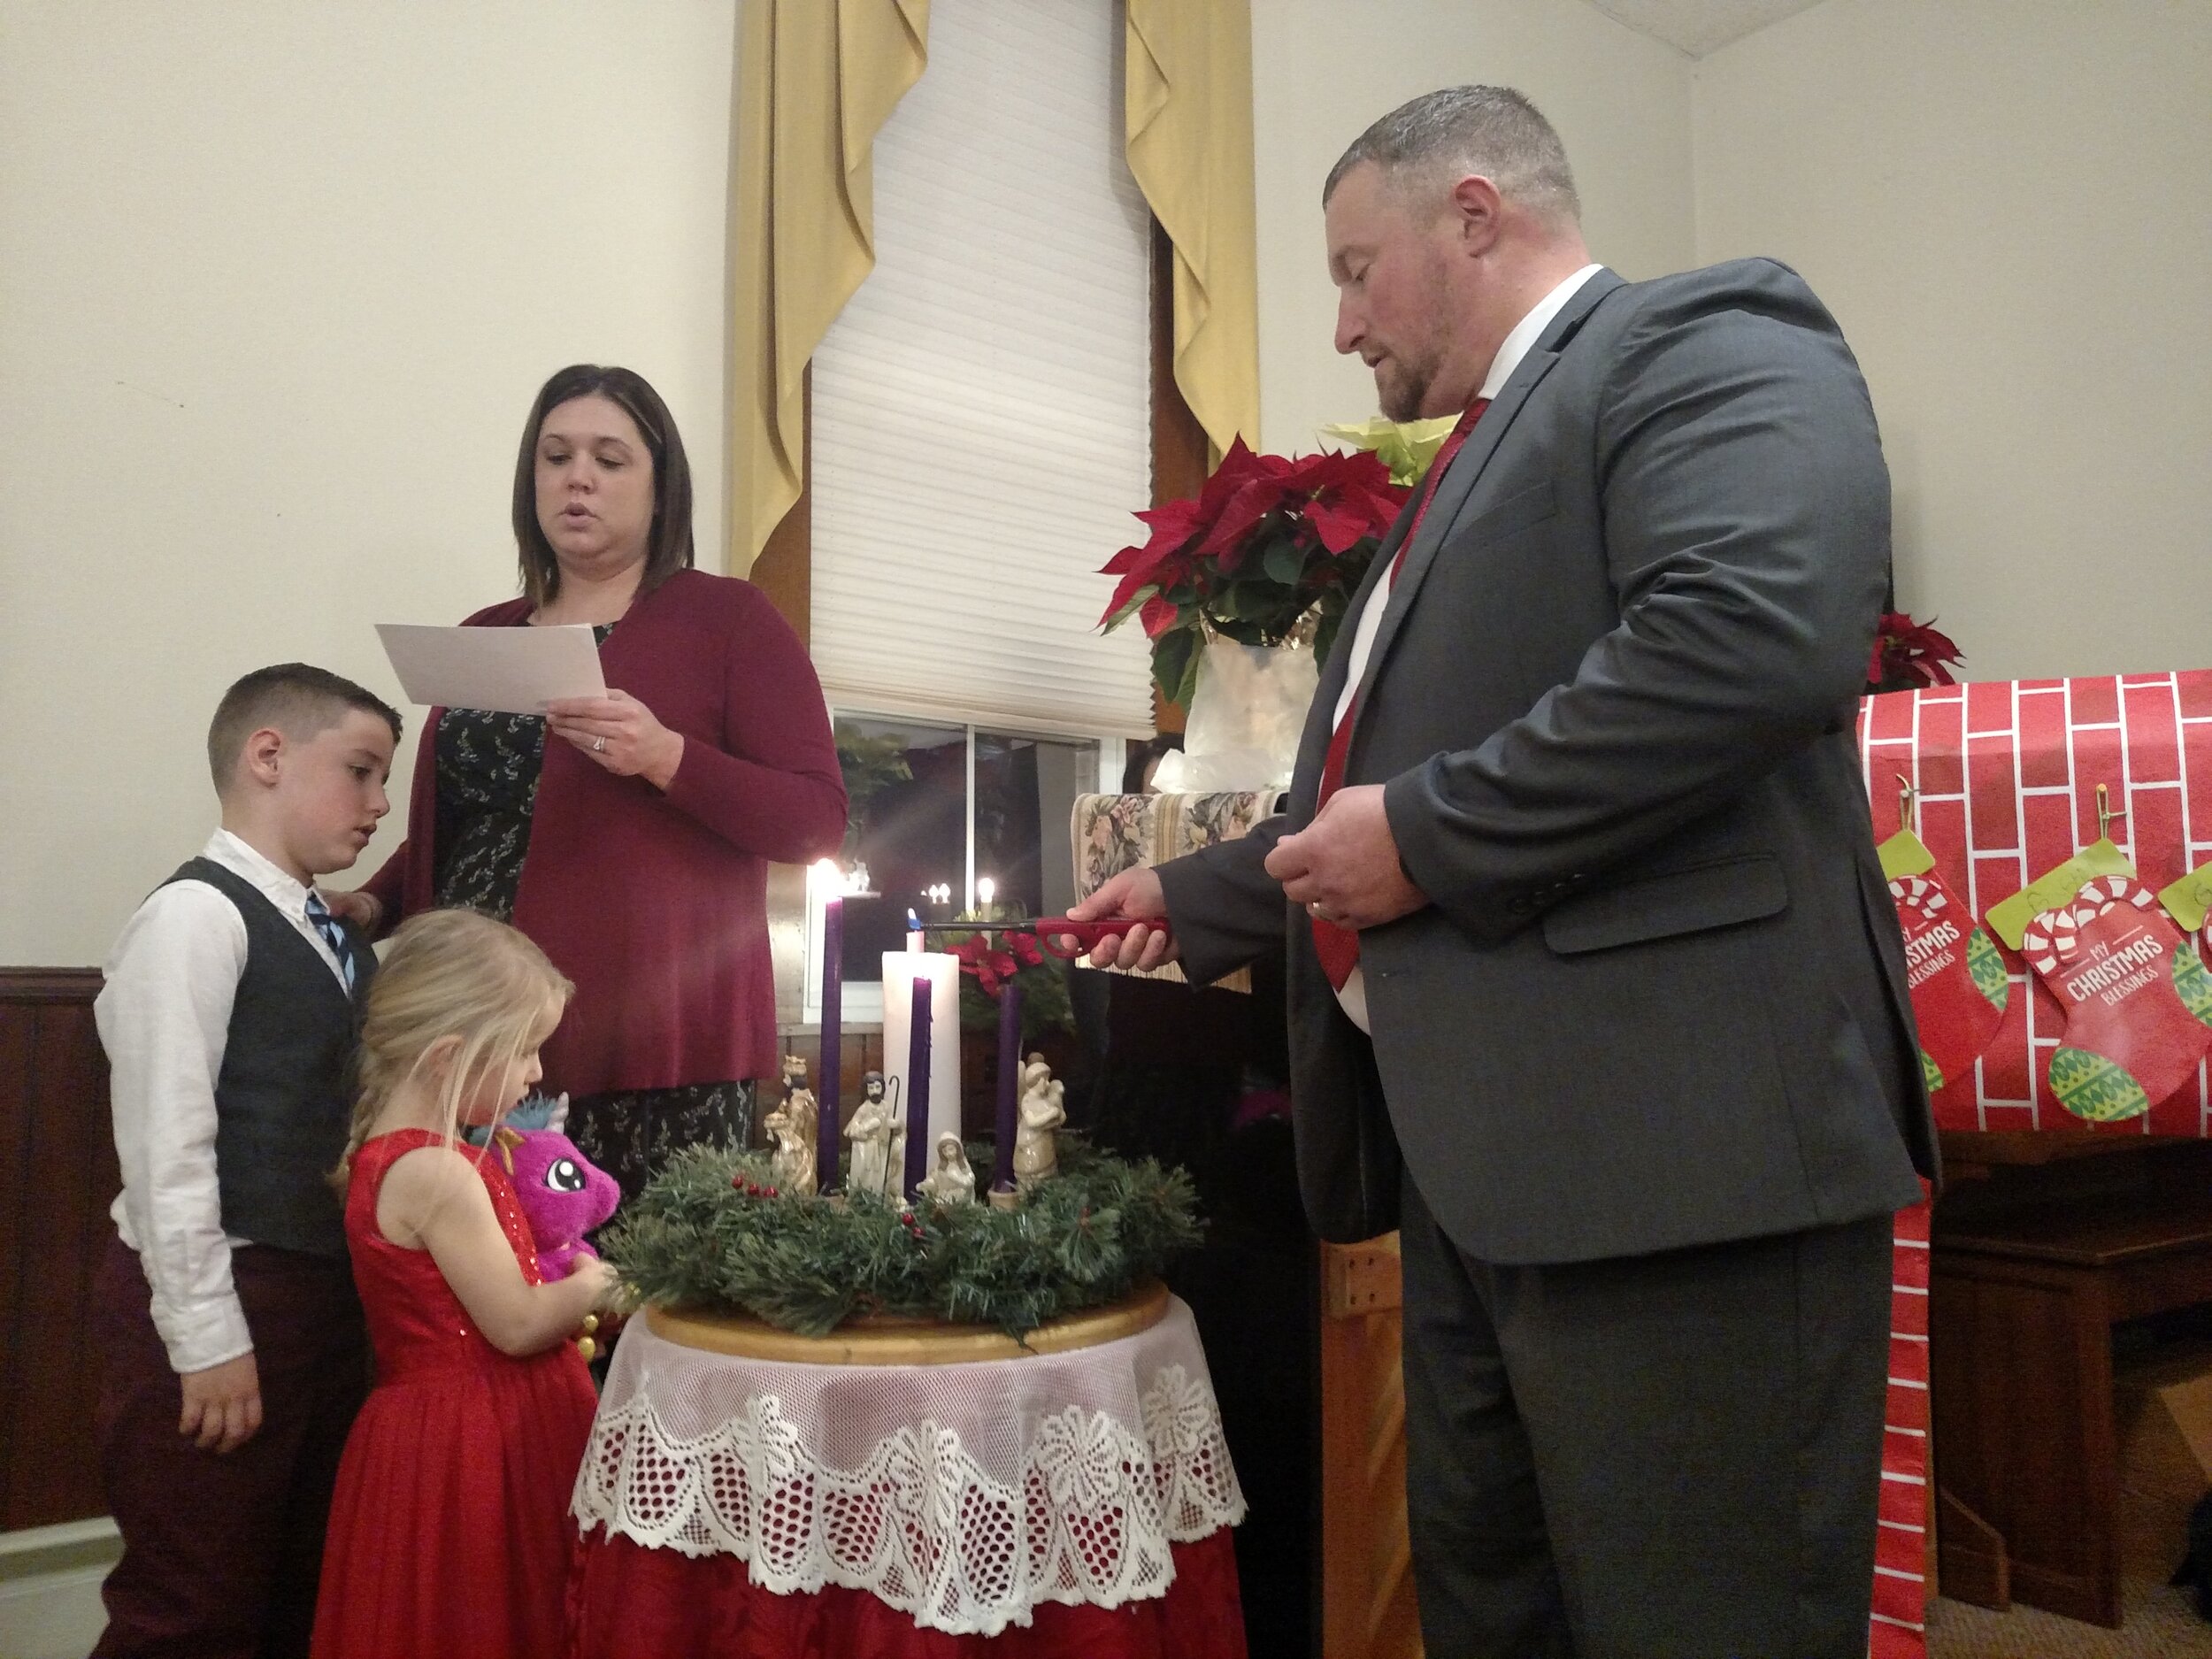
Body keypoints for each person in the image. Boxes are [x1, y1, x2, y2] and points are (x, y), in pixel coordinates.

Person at [1068, 86, 1937, 1657]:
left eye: (1354, 267)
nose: (1340, 324)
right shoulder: (1456, 471)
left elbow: (1749, 641)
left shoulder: (1702, 336)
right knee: (1501, 1614)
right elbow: (1399, 775)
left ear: (1474, 215)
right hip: (1485, 1177)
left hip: (1680, 1166)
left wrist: (1421, 837)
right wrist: (1203, 892)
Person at [334, 365, 846, 1208]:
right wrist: (376, 903)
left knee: (618, 1309)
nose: (578, 477)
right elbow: (482, 818)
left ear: (659, 487)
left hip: (649, 1044)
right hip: (465, 1037)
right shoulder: (485, 633)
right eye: (556, 455)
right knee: (467, 1307)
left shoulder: (726, 621)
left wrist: (668, 757)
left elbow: (815, 820)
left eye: (610, 459)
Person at [90, 664, 399, 1658]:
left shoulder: (337, 935)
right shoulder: (194, 917)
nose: (380, 803)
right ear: (268, 755)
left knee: (297, 1585)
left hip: (322, 1301)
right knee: (193, 1602)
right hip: (228, 1292)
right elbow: (164, 1142)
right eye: (360, 770)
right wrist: (206, 1334)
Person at [311, 908, 614, 1659]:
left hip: (452, 1428)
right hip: (476, 1441)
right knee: (482, 1611)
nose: (537, 1073)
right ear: (450, 1055)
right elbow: (514, 1322)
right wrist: (593, 1282)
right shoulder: (437, 1171)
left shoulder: (399, 1149)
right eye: (524, 1052)